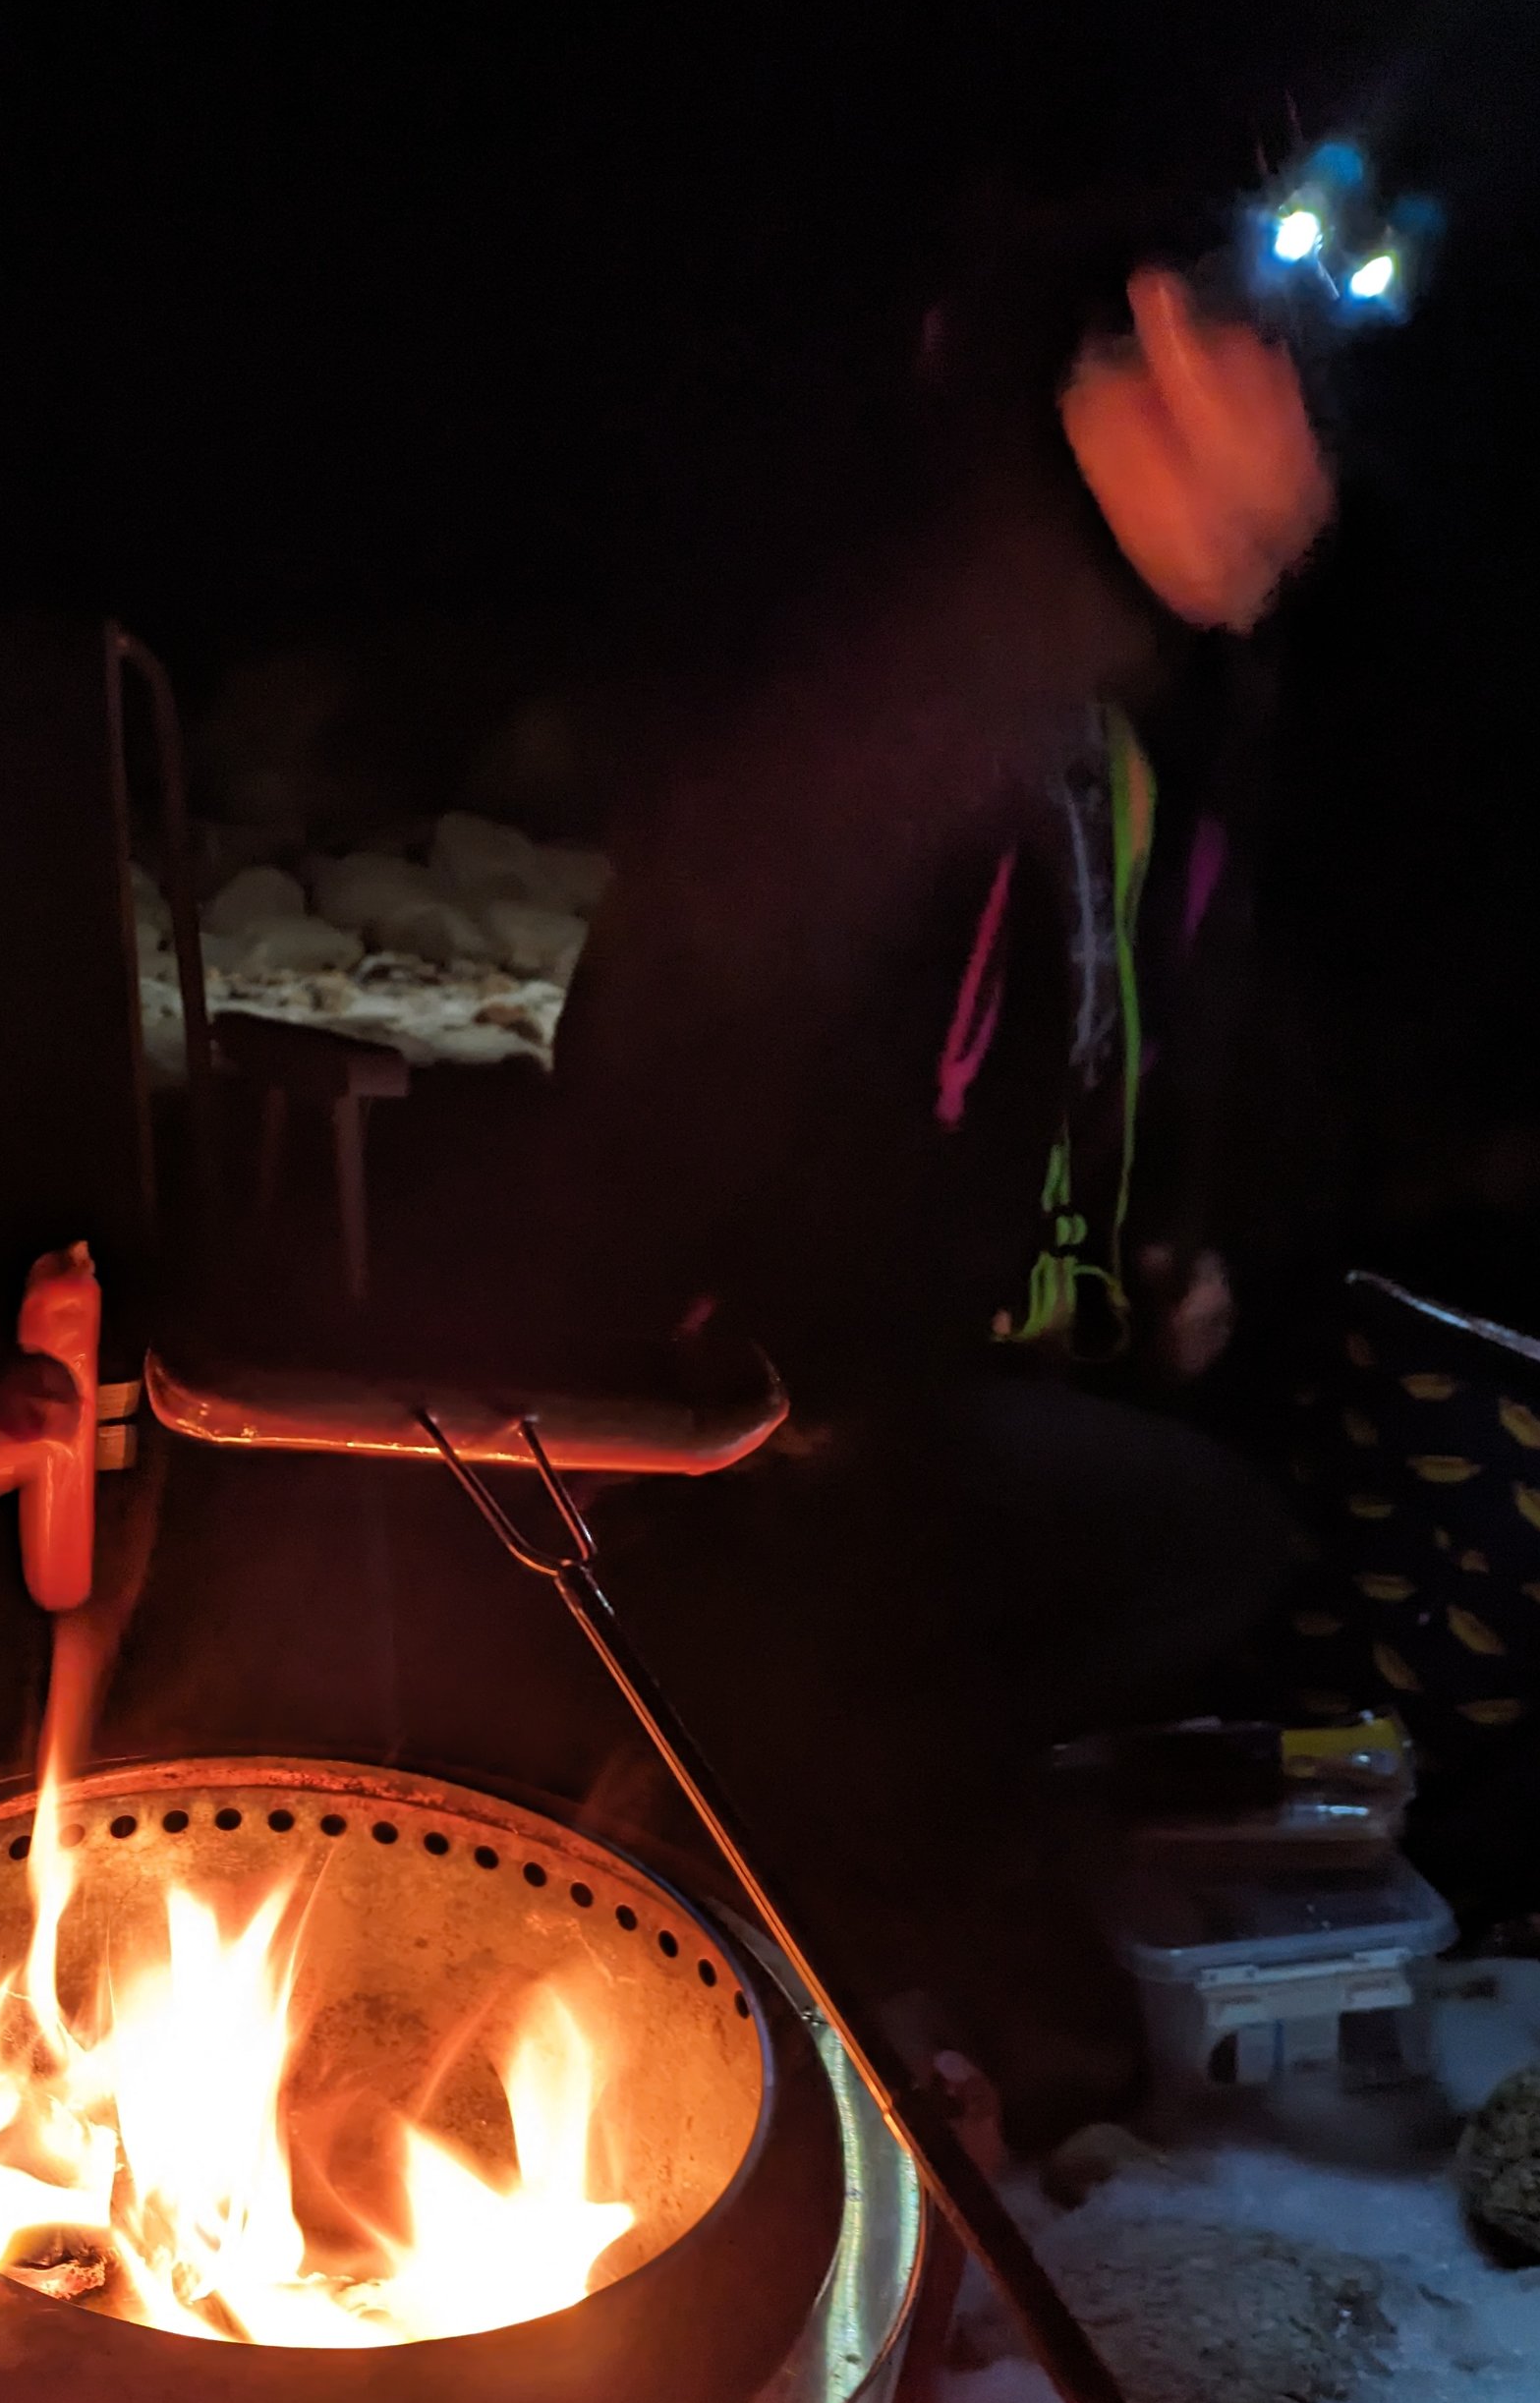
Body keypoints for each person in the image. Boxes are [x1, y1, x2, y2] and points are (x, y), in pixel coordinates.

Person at [543, 249, 1339, 2140]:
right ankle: (797, 1957)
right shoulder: (938, 636)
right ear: (1147, 356)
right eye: (1269, 400)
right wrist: (712, 1340)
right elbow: (684, 987)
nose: (1303, 484)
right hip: (790, 1379)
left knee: (1179, 1541)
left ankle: (826, 1915)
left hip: (963, 1355)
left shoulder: (1138, 710)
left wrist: (1164, 1243)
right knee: (1087, 1572)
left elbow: (1122, 1026)